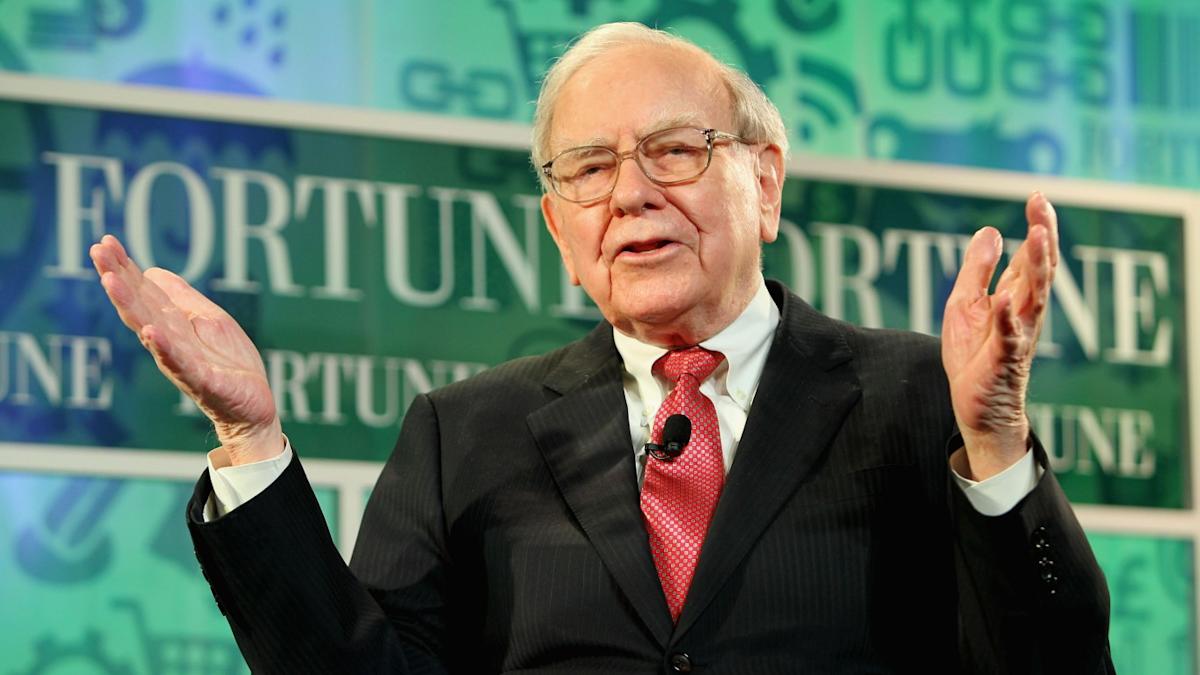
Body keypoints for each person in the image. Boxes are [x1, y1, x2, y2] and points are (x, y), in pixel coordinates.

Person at [90, 22, 1113, 675]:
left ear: (765, 181)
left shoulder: (922, 397)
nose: (630, 193)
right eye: (587, 168)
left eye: (673, 150)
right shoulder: (463, 434)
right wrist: (248, 435)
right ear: (558, 228)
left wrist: (995, 441)